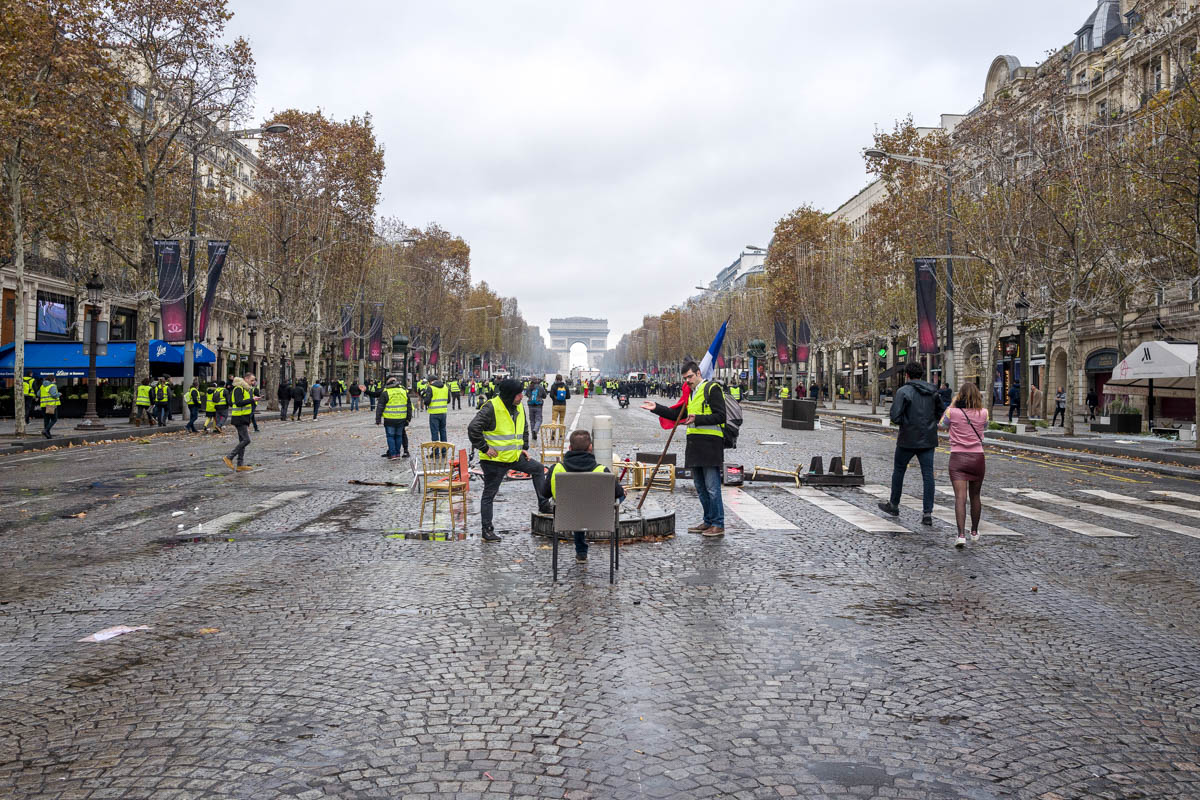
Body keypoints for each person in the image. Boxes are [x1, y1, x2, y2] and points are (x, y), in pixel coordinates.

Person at [642, 360, 727, 536]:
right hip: (695, 445)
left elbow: (721, 416)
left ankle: (718, 523)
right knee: (700, 487)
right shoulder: (691, 394)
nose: (687, 381)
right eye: (685, 378)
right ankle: (708, 521)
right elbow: (676, 414)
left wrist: (698, 419)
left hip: (711, 445)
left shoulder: (713, 389)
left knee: (712, 487)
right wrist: (656, 408)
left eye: (690, 377)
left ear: (698, 373)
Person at [467, 378, 553, 543]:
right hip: (494, 460)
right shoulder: (491, 407)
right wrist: (484, 448)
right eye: (518, 394)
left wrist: (523, 448)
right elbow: (473, 428)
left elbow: (524, 427)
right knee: (489, 494)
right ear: (509, 395)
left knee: (538, 469)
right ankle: (487, 530)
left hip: (513, 456)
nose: (522, 396)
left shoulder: (519, 406)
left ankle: (544, 505)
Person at [877, 361, 945, 526]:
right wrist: (930, 422)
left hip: (907, 438)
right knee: (928, 475)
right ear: (921, 374)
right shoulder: (933, 391)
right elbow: (941, 412)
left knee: (899, 471)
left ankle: (894, 504)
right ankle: (927, 513)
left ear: (907, 375)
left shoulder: (903, 391)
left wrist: (906, 423)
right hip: (928, 438)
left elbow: (895, 416)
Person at [548, 429, 627, 563]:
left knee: (577, 504)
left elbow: (544, 493)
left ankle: (581, 552)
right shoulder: (602, 470)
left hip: (568, 515)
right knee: (621, 494)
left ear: (570, 448)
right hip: (598, 516)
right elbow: (617, 493)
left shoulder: (556, 469)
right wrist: (622, 491)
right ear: (590, 448)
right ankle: (585, 552)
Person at [940, 383, 988, 548]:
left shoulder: (952, 412)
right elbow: (984, 426)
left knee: (960, 497)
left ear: (959, 396)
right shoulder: (984, 413)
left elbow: (942, 424)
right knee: (975, 496)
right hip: (977, 458)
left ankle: (961, 535)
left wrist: (953, 404)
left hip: (958, 458)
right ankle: (974, 531)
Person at [223, 373, 257, 472]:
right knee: (246, 440)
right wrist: (252, 400)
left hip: (244, 417)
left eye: (254, 380)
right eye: (251, 380)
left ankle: (240, 464)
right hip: (239, 417)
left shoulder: (246, 389)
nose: (253, 382)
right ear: (245, 379)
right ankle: (229, 457)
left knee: (242, 441)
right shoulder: (238, 388)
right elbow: (238, 403)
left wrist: (253, 399)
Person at [375, 377, 413, 459]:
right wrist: (408, 418)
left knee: (390, 436)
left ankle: (393, 454)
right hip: (401, 418)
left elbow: (380, 406)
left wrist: (378, 419)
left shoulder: (386, 392)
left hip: (389, 418)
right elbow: (409, 406)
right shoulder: (403, 391)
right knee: (398, 436)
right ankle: (398, 454)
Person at [424, 377, 450, 442]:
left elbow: (427, 401)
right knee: (443, 430)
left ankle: (436, 448)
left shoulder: (431, 388)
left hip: (434, 413)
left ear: (430, 381)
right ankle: (444, 447)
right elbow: (448, 400)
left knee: (434, 432)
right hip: (443, 412)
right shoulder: (445, 387)